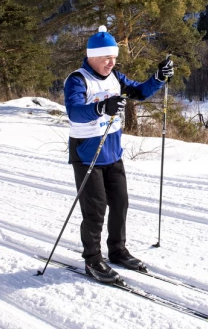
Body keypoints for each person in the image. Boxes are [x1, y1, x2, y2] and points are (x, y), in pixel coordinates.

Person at [63, 25, 174, 283]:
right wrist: (102, 106)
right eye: (105, 58)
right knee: (95, 210)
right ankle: (92, 259)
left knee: (120, 204)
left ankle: (117, 250)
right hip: (87, 154)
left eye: (113, 57)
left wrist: (158, 77)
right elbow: (75, 111)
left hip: (112, 153)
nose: (110, 62)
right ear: (91, 56)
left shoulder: (115, 77)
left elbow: (140, 92)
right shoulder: (77, 80)